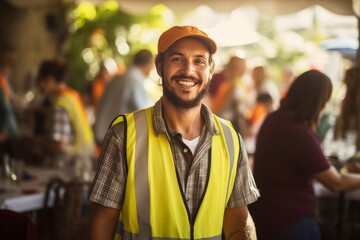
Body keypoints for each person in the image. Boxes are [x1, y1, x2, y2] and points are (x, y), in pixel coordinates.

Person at [88, 25, 259, 240]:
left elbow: (239, 220)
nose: (188, 70)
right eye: (177, 59)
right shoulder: (124, 135)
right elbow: (103, 220)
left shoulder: (231, 138)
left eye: (199, 61)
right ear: (159, 66)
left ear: (211, 69)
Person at [249, 69, 360, 240]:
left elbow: (303, 162)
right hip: (291, 222)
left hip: (267, 217)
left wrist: (343, 168)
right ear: (318, 101)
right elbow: (336, 183)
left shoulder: (275, 119)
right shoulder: (298, 132)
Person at [35, 60, 95, 179]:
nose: (39, 85)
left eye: (40, 81)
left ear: (50, 80)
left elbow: (61, 146)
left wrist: (38, 141)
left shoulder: (59, 105)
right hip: (83, 164)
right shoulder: (71, 95)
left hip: (67, 169)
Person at [93, 49, 154, 145]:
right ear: (150, 64)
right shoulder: (134, 81)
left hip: (102, 134)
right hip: (116, 140)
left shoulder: (118, 78)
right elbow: (143, 113)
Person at [211, 56, 249, 135]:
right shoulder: (231, 84)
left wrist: (242, 134)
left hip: (227, 126)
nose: (228, 68)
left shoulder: (235, 86)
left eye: (232, 66)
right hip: (222, 125)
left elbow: (239, 114)